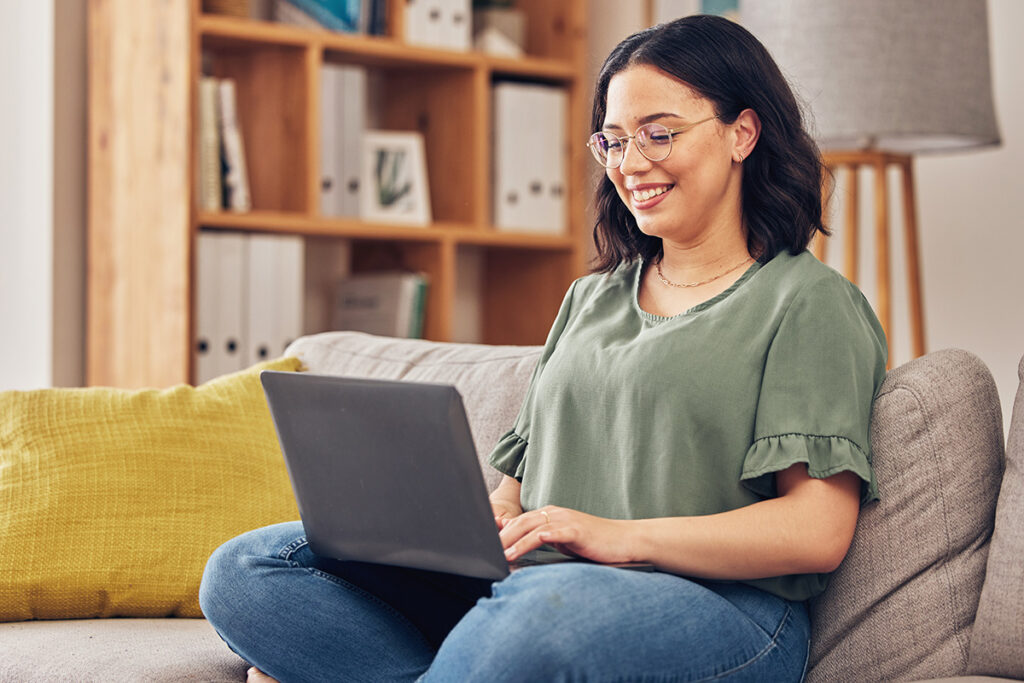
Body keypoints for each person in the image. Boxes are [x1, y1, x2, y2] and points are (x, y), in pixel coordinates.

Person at [200, 14, 887, 683]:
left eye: (658, 134)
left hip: (724, 609)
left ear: (743, 132)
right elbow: (514, 496)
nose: (630, 163)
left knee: (536, 616)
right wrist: (475, 529)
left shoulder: (808, 302)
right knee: (247, 568)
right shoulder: (590, 301)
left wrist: (621, 537)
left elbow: (816, 528)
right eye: (613, 141)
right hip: (533, 590)